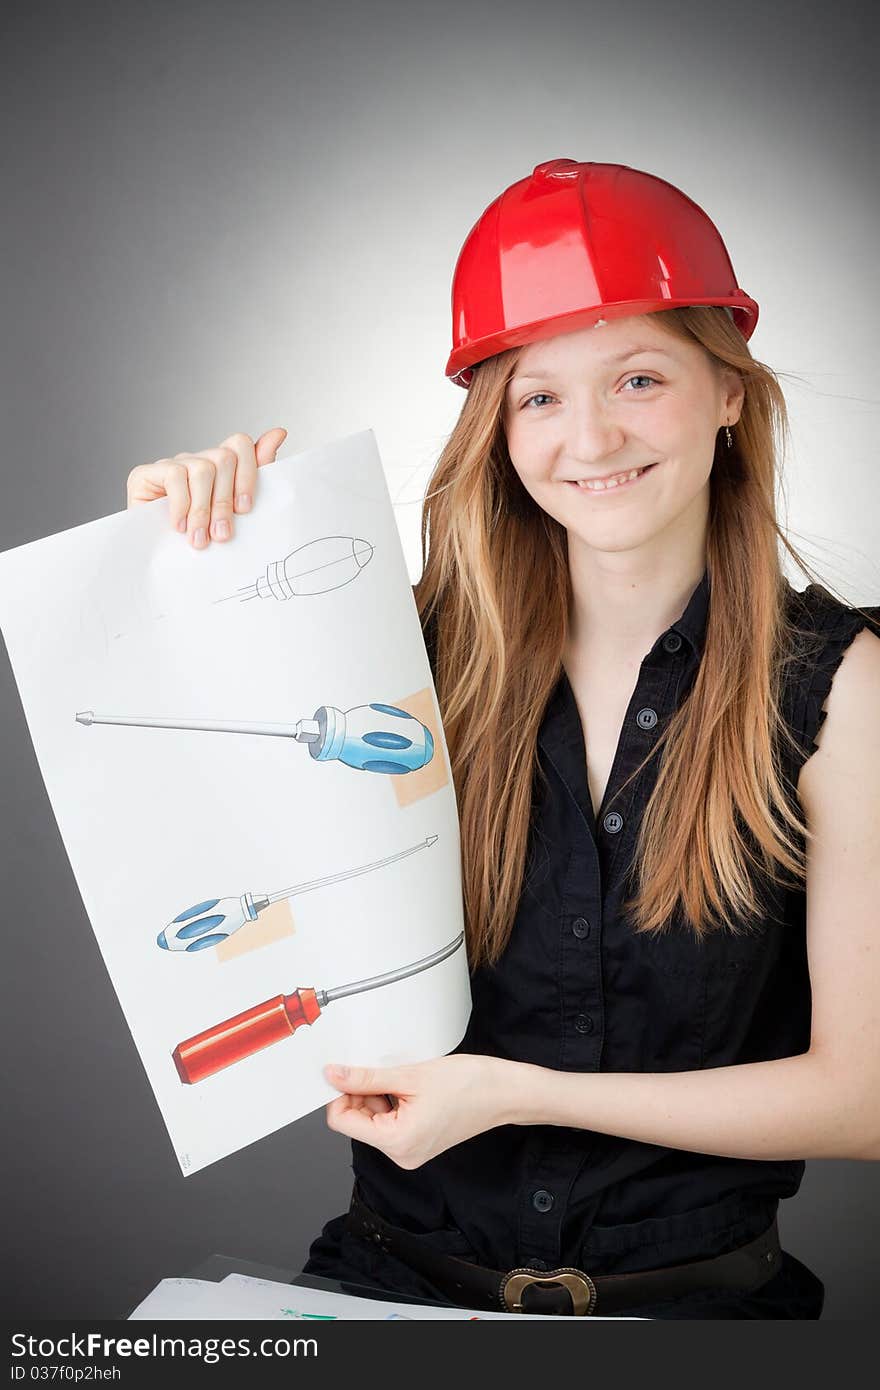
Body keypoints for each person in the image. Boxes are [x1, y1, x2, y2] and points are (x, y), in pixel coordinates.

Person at [126, 159, 880, 1319]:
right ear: (496, 424)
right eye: (538, 396)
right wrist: (184, 556)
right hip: (388, 1288)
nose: (590, 437)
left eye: (638, 377)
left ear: (729, 391)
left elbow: (863, 1095)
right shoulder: (395, 657)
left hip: (695, 1317)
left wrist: (516, 1092)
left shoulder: (840, 690)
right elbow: (193, 815)